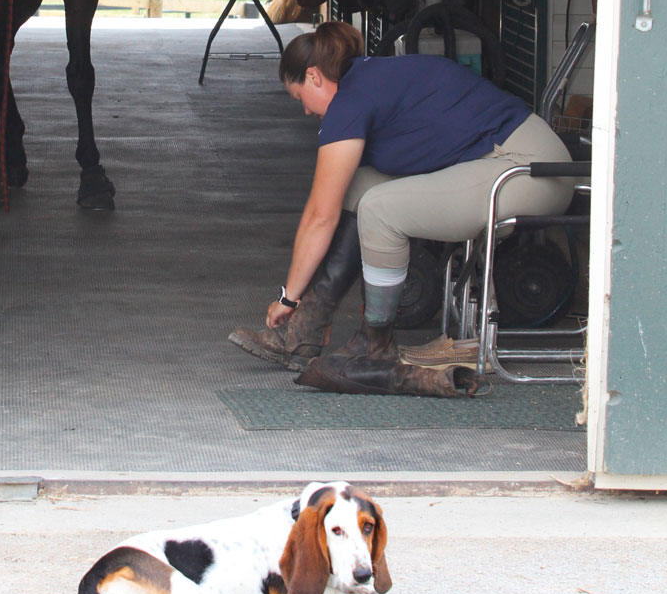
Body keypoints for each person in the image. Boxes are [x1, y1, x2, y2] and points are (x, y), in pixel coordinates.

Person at [229, 21, 575, 385]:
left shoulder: (350, 102)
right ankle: (309, 328)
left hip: (529, 168)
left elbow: (320, 217)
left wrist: (288, 298)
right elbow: (333, 200)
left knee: (382, 209)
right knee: (360, 186)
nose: (305, 111)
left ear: (314, 76)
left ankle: (374, 343)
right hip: (504, 160)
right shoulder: (365, 81)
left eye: (300, 98)